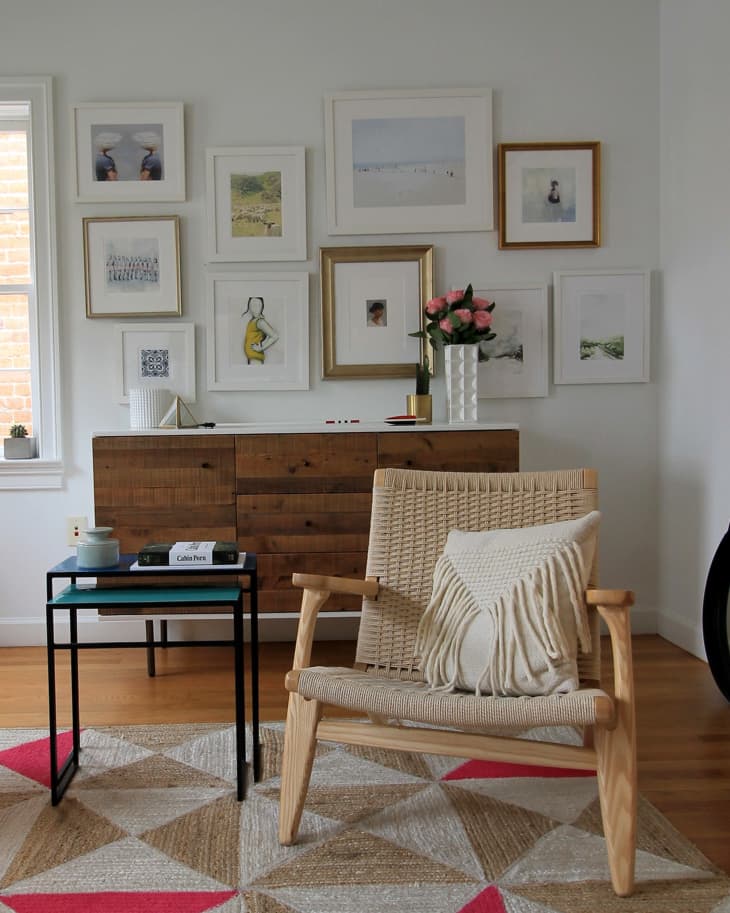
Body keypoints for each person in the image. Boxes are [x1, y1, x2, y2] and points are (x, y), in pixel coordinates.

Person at [243, 297, 279, 364]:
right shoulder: (252, 321)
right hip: (252, 358)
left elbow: (275, 336)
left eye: (259, 305)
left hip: (256, 358)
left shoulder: (260, 322)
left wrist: (260, 349)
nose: (255, 308)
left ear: (262, 307)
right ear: (249, 306)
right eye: (252, 305)